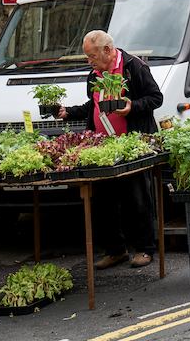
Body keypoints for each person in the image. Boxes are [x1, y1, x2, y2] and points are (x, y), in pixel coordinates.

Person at [58, 30, 164, 269]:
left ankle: (145, 249)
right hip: (102, 147)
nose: (89, 61)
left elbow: (156, 98)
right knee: (103, 201)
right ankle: (116, 251)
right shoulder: (94, 74)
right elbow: (93, 105)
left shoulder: (133, 67)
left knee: (137, 199)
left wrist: (132, 107)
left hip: (131, 146)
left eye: (91, 56)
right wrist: (70, 112)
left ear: (107, 50)